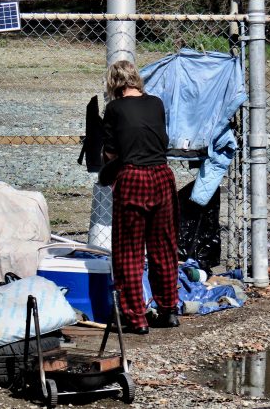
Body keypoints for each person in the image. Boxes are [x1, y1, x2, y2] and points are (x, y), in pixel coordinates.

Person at [102, 60, 180, 335]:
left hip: (133, 176)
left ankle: (136, 317)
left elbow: (112, 154)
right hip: (161, 175)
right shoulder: (156, 103)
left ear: (114, 83)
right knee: (163, 246)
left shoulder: (113, 109)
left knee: (129, 251)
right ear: (137, 79)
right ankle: (169, 309)